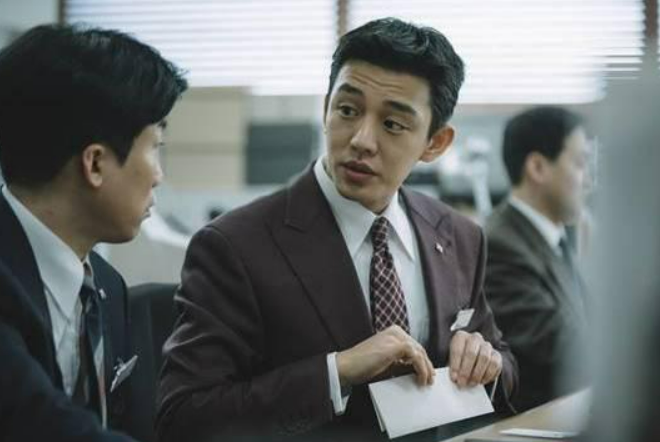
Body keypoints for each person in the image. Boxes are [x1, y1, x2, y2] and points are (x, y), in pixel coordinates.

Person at [156, 17, 517, 442]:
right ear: (326, 108)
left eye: (393, 124)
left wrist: (489, 364)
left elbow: (505, 367)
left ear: (435, 143)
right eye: (347, 110)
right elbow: (184, 418)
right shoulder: (235, 246)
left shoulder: (458, 236)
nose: (362, 139)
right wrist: (336, 372)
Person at [0, 24, 187, 441]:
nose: (158, 176)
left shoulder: (105, 285)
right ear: (96, 163)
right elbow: (38, 423)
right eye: (155, 147)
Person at [484, 106, 590, 412]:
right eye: (580, 163)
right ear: (538, 167)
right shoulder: (500, 244)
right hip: (539, 418)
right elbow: (563, 347)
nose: (588, 181)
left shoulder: (554, 238)